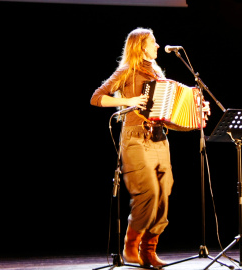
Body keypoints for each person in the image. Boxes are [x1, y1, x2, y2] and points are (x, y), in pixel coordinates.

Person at [90, 28, 173, 268]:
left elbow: (166, 112)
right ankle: (130, 244)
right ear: (140, 46)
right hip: (135, 138)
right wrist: (127, 101)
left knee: (163, 196)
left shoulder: (156, 72)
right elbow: (97, 97)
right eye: (153, 42)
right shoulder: (127, 70)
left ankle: (149, 250)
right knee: (148, 193)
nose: (157, 46)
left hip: (159, 139)